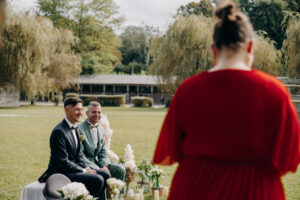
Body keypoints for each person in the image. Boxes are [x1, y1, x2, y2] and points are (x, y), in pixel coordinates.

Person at [153, 1, 300, 200]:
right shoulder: (274, 90)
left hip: (194, 188)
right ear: (250, 46)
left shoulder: (188, 89)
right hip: (254, 189)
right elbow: (288, 158)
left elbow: (173, 150)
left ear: (213, 49)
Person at [38, 97, 111, 199]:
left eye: (81, 109)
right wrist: (84, 171)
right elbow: (62, 162)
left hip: (73, 169)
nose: (80, 113)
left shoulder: (75, 128)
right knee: (98, 179)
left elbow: (79, 156)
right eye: (77, 109)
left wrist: (87, 168)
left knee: (105, 174)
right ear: (67, 110)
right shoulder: (59, 131)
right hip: (61, 172)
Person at [78, 101, 125, 182]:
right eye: (93, 112)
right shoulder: (79, 129)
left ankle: (116, 194)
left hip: (100, 164)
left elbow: (103, 152)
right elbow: (80, 155)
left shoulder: (101, 129)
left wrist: (105, 166)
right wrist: (98, 169)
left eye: (99, 112)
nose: (97, 115)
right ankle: (103, 195)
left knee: (120, 170)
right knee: (104, 174)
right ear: (86, 113)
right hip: (86, 166)